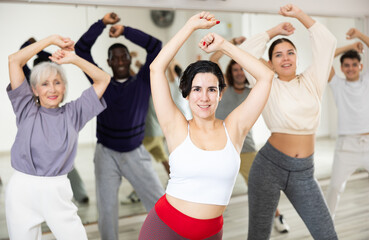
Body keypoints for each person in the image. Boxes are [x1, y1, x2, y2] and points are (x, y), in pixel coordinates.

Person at [139, 11, 273, 239]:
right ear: (187, 95)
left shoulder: (234, 128)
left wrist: (224, 45)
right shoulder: (176, 126)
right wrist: (190, 27)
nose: (204, 97)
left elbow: (266, 77)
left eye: (212, 89)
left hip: (211, 233)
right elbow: (156, 68)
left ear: (221, 94)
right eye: (196, 89)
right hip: (165, 228)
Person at [239, 4, 338, 239]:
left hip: (304, 172)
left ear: (297, 57)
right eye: (278, 54)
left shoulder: (312, 80)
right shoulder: (265, 82)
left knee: (327, 235)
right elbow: (243, 52)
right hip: (268, 168)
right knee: (258, 236)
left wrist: (299, 16)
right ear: (270, 62)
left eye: (290, 52)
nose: (285, 58)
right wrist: (274, 30)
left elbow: (327, 44)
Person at [6, 35, 110, 240]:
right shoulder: (25, 107)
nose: (52, 89)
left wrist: (73, 59)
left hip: (57, 191)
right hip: (21, 191)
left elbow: (104, 79)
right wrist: (51, 40)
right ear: (34, 89)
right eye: (44, 84)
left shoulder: (74, 113)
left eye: (57, 82)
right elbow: (13, 60)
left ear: (64, 87)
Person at [75, 12, 165, 239]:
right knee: (106, 211)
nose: (120, 61)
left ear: (129, 58)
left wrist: (124, 31)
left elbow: (156, 46)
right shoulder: (101, 82)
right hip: (106, 154)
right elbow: (81, 50)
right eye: (115, 58)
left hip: (136, 153)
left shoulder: (144, 80)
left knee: (160, 206)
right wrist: (102, 24)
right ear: (108, 63)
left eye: (123, 56)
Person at [212, 52, 290, 233]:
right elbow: (213, 60)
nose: (239, 72)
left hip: (246, 148)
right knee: (213, 190)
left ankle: (277, 216)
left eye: (242, 69)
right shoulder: (223, 89)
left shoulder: (253, 92)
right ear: (230, 72)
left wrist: (248, 53)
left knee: (262, 187)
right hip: (222, 149)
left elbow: (269, 72)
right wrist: (229, 46)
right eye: (235, 69)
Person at [21, 37, 90, 205]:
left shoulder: (43, 75)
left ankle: (79, 194)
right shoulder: (32, 78)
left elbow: (43, 58)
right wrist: (39, 47)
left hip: (53, 122)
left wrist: (36, 47)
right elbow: (20, 59)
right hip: (36, 126)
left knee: (64, 161)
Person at [326, 28, 369, 220]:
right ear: (342, 68)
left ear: (360, 66)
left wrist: (360, 36)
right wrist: (350, 46)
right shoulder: (337, 84)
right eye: (346, 65)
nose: (350, 68)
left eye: (354, 64)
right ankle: (326, 228)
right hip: (346, 146)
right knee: (334, 187)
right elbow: (325, 57)